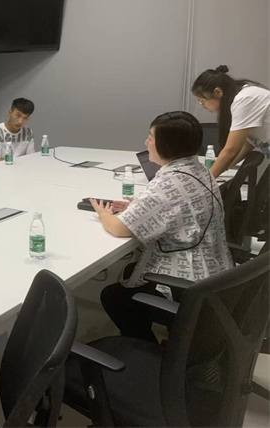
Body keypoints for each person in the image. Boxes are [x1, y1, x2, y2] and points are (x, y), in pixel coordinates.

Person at [90, 111, 233, 342]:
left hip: (190, 285)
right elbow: (177, 207)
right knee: (130, 271)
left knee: (114, 297)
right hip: (216, 272)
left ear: (166, 145)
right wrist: (139, 207)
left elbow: (119, 228)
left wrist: (103, 213)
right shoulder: (200, 170)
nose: (145, 142)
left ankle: (144, 349)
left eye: (150, 137)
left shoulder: (167, 184)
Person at [192, 65, 270, 177]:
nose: (203, 106)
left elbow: (231, 150)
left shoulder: (245, 99)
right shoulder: (241, 99)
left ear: (218, 92)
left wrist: (206, 180)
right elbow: (247, 144)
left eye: (202, 100)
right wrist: (221, 169)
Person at [0, 98, 36, 163]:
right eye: (18, 115)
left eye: (25, 118)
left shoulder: (28, 132)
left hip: (20, 167)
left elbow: (30, 157)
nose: (20, 121)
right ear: (10, 113)